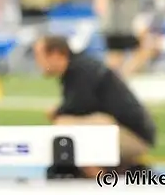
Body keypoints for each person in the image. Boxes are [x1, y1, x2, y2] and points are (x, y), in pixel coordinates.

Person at [33, 35, 156, 176]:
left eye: (39, 56)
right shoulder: (80, 68)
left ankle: (101, 178)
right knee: (72, 132)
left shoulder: (81, 71)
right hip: (124, 131)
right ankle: (121, 170)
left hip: (132, 136)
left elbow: (80, 107)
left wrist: (57, 112)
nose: (37, 62)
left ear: (56, 54)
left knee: (66, 129)